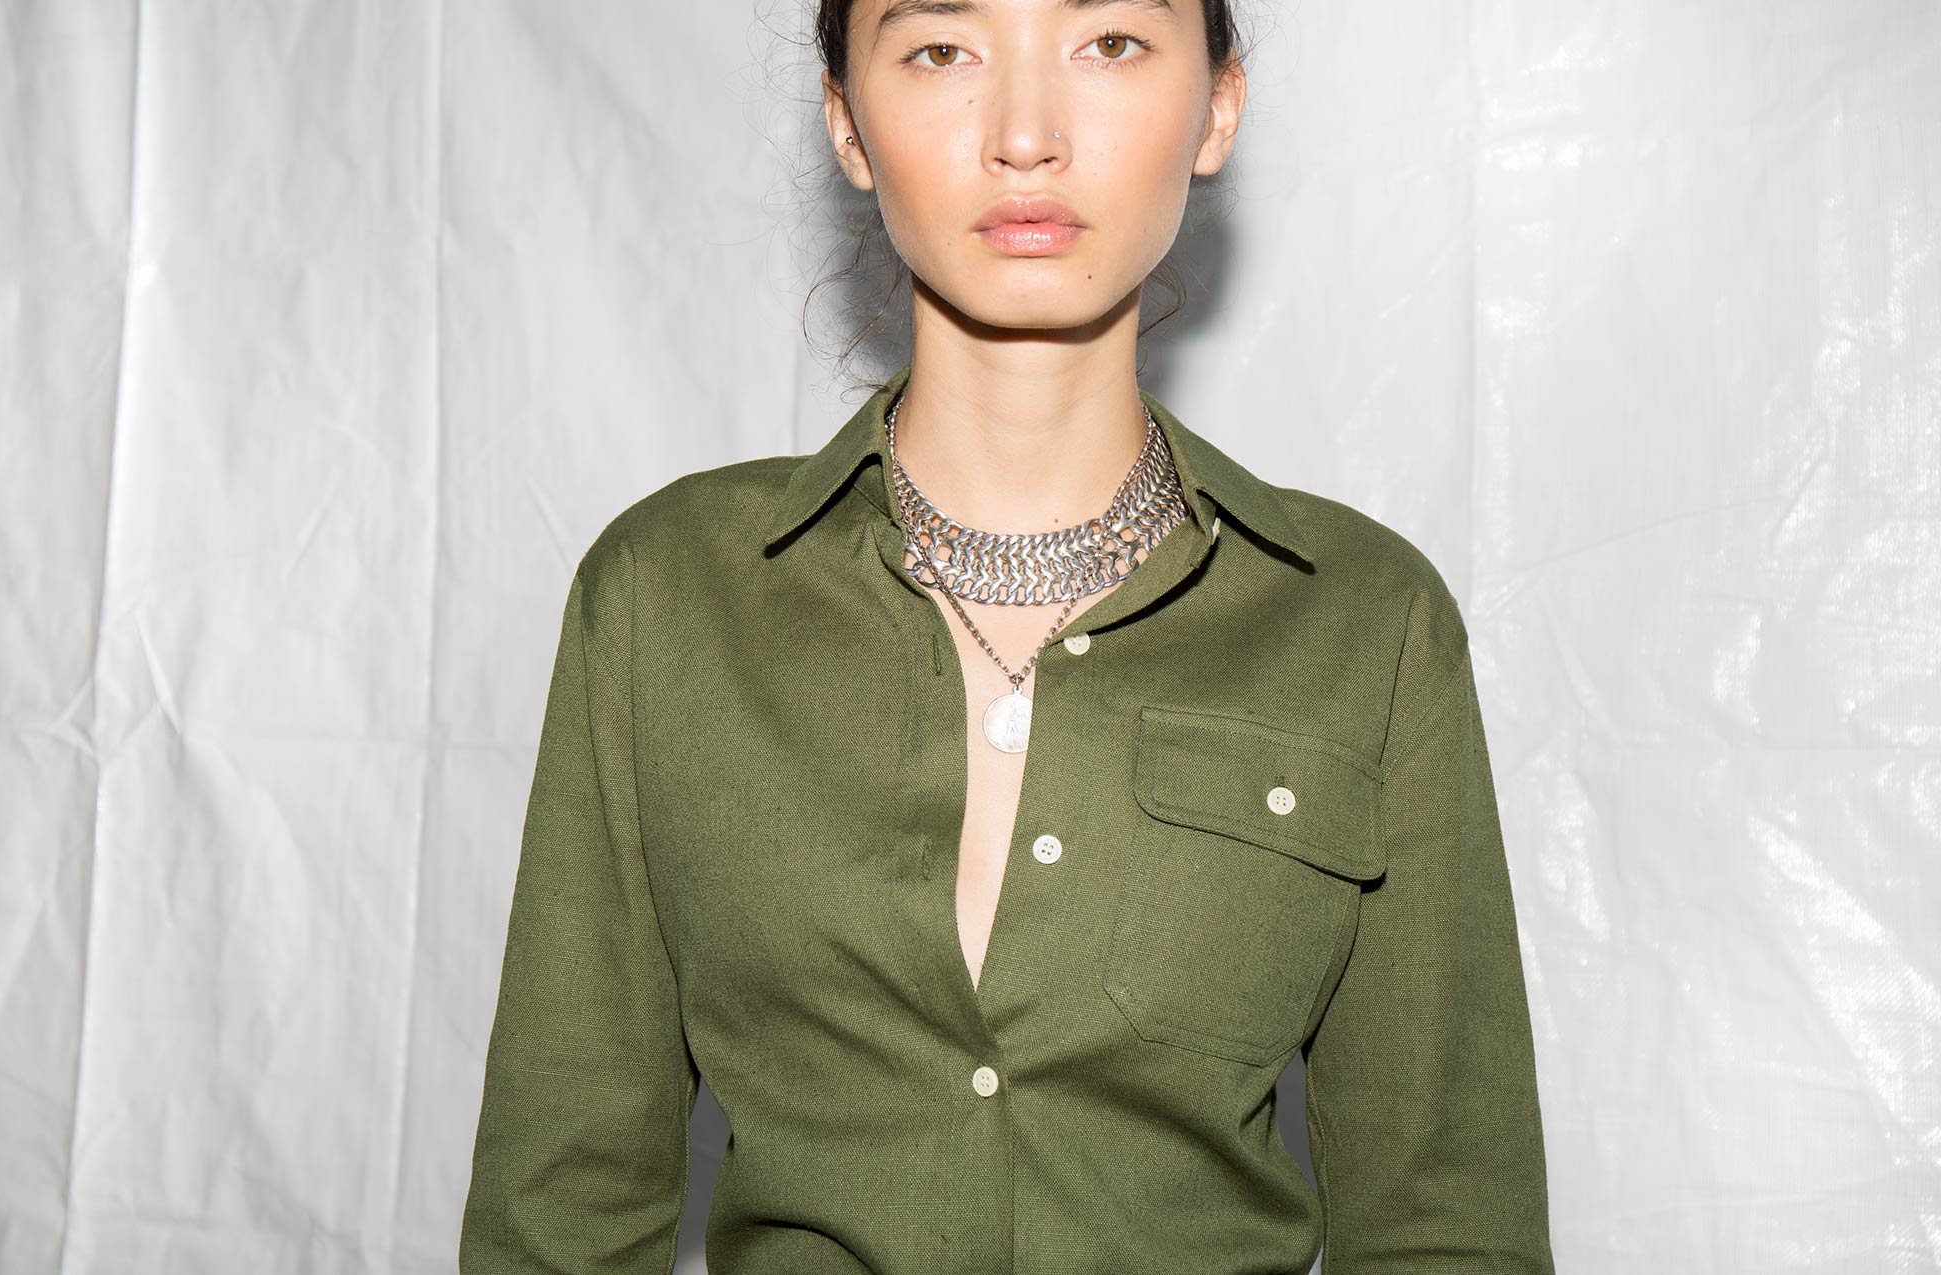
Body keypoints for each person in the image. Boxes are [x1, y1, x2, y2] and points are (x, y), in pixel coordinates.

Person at [458, 0, 1556, 1271]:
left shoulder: (1363, 621)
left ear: (1216, 109)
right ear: (846, 124)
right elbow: (559, 1216)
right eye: (942, 50)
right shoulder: (666, 599)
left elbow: (1446, 1226)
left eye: (1108, 43)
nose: (1024, 135)